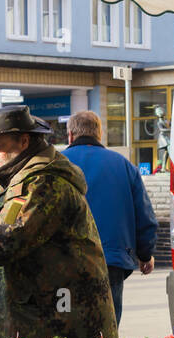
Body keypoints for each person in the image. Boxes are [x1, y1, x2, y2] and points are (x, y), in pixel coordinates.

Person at [0, 105, 115, 338]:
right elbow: (13, 224)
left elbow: (5, 241)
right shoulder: (23, 177)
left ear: (24, 141)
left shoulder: (42, 183)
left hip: (59, 321)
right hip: (43, 315)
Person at [63, 110, 157, 326]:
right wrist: (145, 254)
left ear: (70, 135)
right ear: (100, 134)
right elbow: (144, 215)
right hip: (111, 261)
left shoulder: (58, 163)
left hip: (65, 262)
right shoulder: (123, 165)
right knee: (106, 331)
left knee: (67, 331)